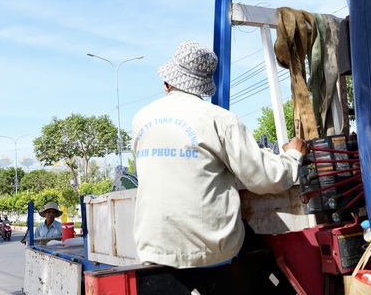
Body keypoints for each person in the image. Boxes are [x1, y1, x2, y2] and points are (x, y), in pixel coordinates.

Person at [132, 41, 308, 269]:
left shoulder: (141, 119)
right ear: (204, 86)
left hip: (153, 249)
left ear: (168, 83)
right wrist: (293, 156)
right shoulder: (220, 120)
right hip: (210, 252)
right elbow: (264, 179)